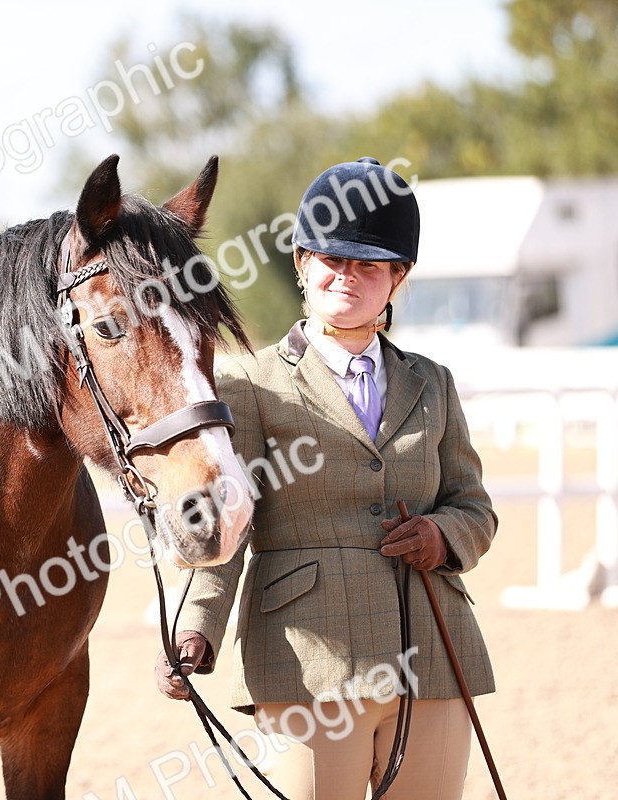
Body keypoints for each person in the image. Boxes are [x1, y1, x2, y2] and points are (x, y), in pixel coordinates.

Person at [155, 158, 497, 800]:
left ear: (398, 277)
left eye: (369, 265)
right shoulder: (248, 383)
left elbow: (475, 508)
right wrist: (195, 625)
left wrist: (444, 536)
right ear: (302, 263)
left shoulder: (433, 383)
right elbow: (229, 522)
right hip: (306, 658)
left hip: (430, 644)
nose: (349, 278)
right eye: (333, 260)